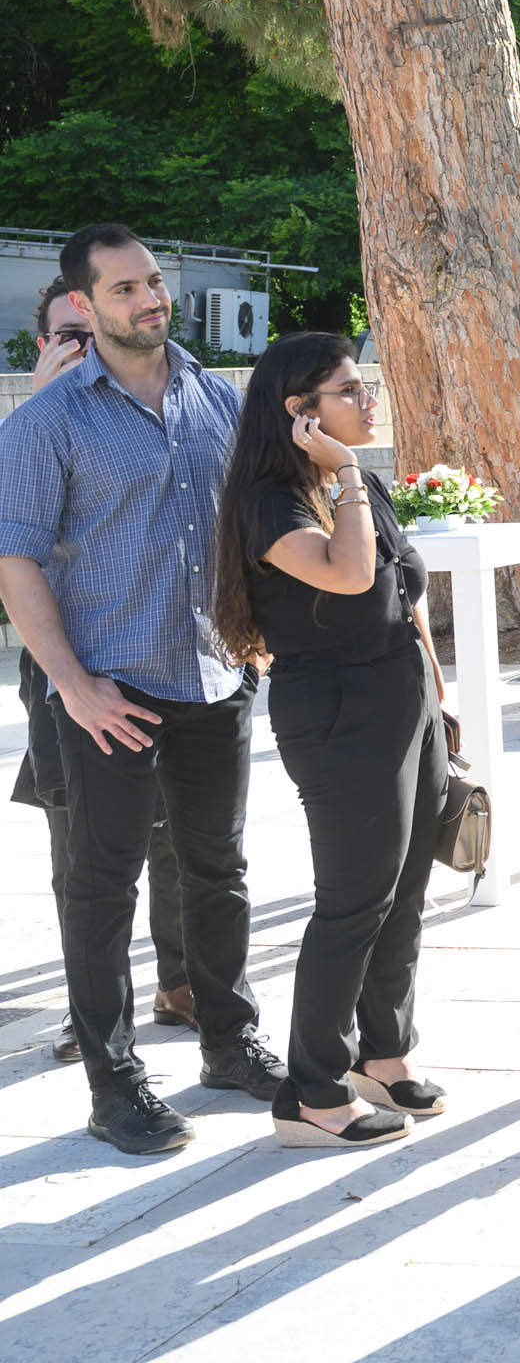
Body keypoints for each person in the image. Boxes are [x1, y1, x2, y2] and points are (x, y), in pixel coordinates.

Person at [0, 223, 280, 1155]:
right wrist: (72, 686)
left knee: (219, 870)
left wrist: (258, 635)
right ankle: (113, 1083)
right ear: (83, 305)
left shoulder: (217, 397)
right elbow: (15, 560)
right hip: (110, 692)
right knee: (103, 886)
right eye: (124, 288)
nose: (149, 298)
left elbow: (245, 523)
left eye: (154, 281)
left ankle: (230, 1043)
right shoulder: (46, 422)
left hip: (215, 672)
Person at [211, 334, 447, 1146]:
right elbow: (349, 575)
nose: (369, 399)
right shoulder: (271, 503)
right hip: (339, 711)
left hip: (404, 695)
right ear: (299, 412)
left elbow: (404, 590)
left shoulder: (356, 484)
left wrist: (439, 696)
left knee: (405, 890)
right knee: (354, 901)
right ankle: (311, 1090)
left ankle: (383, 1053)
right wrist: (344, 469)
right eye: (350, 390)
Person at [12, 276, 192, 1063]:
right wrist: (38, 410)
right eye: (67, 338)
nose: (82, 351)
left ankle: (181, 981)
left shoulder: (159, 404)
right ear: (42, 346)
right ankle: (92, 1010)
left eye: (90, 336)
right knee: (81, 844)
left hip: (168, 652)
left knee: (180, 832)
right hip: (65, 665)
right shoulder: (32, 429)